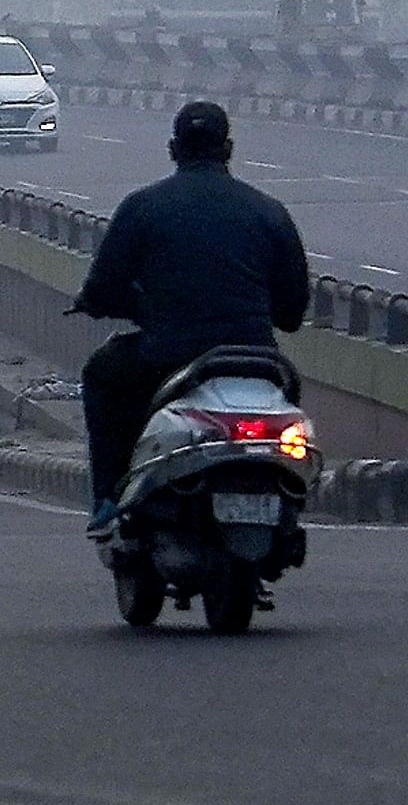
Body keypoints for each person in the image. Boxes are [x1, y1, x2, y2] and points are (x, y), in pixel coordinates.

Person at [73, 100, 311, 536]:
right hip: (257, 359)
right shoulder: (269, 211)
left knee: (102, 376)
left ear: (173, 149)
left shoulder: (142, 207)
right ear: (228, 149)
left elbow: (104, 288)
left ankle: (109, 499)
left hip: (168, 357)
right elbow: (293, 312)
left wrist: (117, 304)